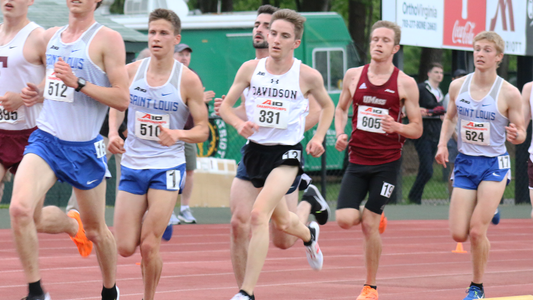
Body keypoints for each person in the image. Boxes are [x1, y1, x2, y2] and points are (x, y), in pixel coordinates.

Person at [9, 0, 130, 299]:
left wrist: (79, 83)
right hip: (46, 140)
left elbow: (121, 98)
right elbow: (52, 86)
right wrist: (35, 93)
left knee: (95, 231)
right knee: (20, 209)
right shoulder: (51, 37)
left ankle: (110, 289)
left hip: (84, 148)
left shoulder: (107, 39)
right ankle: (37, 292)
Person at [214, 5, 332, 291]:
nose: (275, 39)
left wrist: (318, 137)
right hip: (255, 152)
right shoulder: (250, 69)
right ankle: (309, 233)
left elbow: (328, 107)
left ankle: (246, 293)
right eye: (273, 33)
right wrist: (237, 124)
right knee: (279, 228)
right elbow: (226, 107)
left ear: (296, 42)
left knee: (257, 216)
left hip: (286, 156)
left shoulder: (307, 75)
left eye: (283, 35)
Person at [108, 9, 208, 300]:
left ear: (176, 39)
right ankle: (151, 219)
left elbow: (203, 130)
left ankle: (148, 297)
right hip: (133, 164)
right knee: (126, 246)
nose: (156, 38)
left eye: (163, 33)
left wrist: (179, 133)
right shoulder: (131, 71)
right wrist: (114, 132)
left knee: (149, 246)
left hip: (167, 166)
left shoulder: (187, 80)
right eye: (152, 32)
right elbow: (117, 102)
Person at [335, 20, 422, 300]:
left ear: (395, 47)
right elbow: (340, 108)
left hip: (386, 162)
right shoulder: (353, 75)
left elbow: (417, 129)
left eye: (385, 40)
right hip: (357, 158)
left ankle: (369, 287)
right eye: (374, 39)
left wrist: (397, 127)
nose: (378, 44)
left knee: (368, 224)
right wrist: (339, 132)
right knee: (345, 220)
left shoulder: (405, 83)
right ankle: (377, 212)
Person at [436, 31, 525, 300]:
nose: (480, 54)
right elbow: (449, 118)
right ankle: (491, 206)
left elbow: (521, 131)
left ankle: (477, 287)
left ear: (498, 57)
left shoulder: (509, 93)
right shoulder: (457, 87)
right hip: (465, 162)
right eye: (477, 49)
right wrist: (442, 145)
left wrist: (516, 135)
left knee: (477, 231)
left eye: (487, 50)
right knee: (458, 234)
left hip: (493, 165)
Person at [170, 43, 215, 224]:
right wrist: (195, 100)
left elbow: (201, 109)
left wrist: (202, 102)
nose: (184, 57)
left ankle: (185, 209)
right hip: (169, 133)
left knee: (189, 171)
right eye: (180, 54)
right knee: (170, 172)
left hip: (188, 133)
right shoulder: (168, 76)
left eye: (187, 54)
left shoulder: (194, 77)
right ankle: (169, 211)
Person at [408, 62, 445, 204]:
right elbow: (411, 104)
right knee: (428, 170)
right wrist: (423, 110)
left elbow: (439, 109)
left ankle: (415, 198)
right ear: (429, 74)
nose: (439, 75)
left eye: (441, 73)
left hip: (434, 134)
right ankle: (414, 196)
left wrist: (435, 111)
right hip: (422, 134)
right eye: (436, 72)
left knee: (426, 170)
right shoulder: (422, 89)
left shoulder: (439, 93)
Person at [442, 68, 468, 197]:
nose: (461, 80)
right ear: (453, 79)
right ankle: (452, 197)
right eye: (458, 77)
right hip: (454, 139)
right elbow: (449, 117)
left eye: (463, 77)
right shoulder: (449, 96)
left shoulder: (469, 94)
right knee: (454, 170)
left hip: (467, 139)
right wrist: (454, 135)